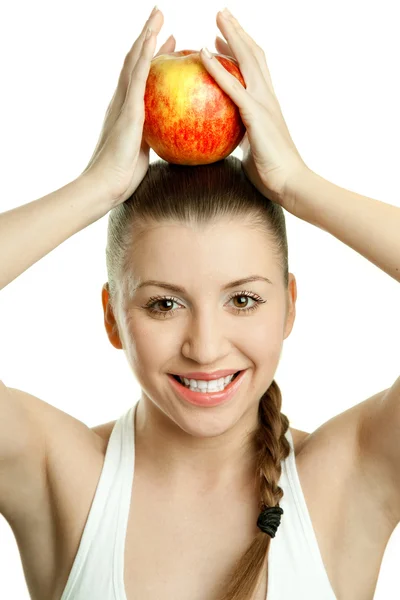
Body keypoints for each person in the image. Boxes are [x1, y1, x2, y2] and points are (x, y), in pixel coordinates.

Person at [0, 5, 399, 600]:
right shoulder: (57, 474)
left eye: (242, 299)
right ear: (112, 317)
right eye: (164, 305)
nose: (206, 347)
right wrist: (94, 189)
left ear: (290, 306)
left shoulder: (353, 476)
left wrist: (299, 183)